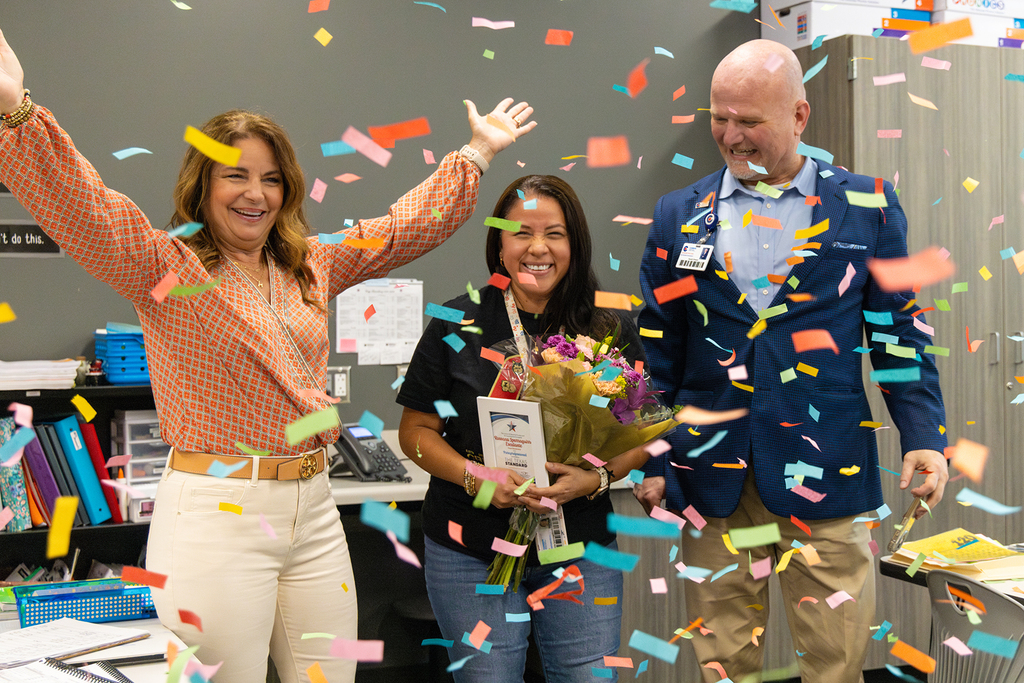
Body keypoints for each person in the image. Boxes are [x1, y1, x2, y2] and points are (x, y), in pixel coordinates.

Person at [0, 26, 536, 683]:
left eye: (271, 179)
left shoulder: (309, 265)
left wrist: (476, 153)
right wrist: (17, 110)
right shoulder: (164, 265)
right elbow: (88, 210)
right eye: (236, 176)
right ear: (202, 186)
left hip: (313, 505)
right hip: (216, 514)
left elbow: (399, 230)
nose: (255, 193)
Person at [634, 39, 948, 683]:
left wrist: (924, 436)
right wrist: (654, 457)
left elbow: (898, 331)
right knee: (723, 662)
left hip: (825, 471)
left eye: (750, 121)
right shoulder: (677, 214)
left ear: (800, 116)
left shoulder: (867, 204)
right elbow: (658, 352)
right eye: (720, 118)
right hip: (711, 479)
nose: (731, 136)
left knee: (835, 659)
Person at [396, 175, 649, 682]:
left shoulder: (611, 325)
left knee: (587, 676)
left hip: (578, 545)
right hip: (470, 546)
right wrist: (476, 477)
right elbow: (415, 432)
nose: (538, 248)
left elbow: (641, 434)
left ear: (575, 244)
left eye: (554, 234)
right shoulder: (455, 322)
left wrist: (595, 478)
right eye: (521, 233)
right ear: (499, 245)